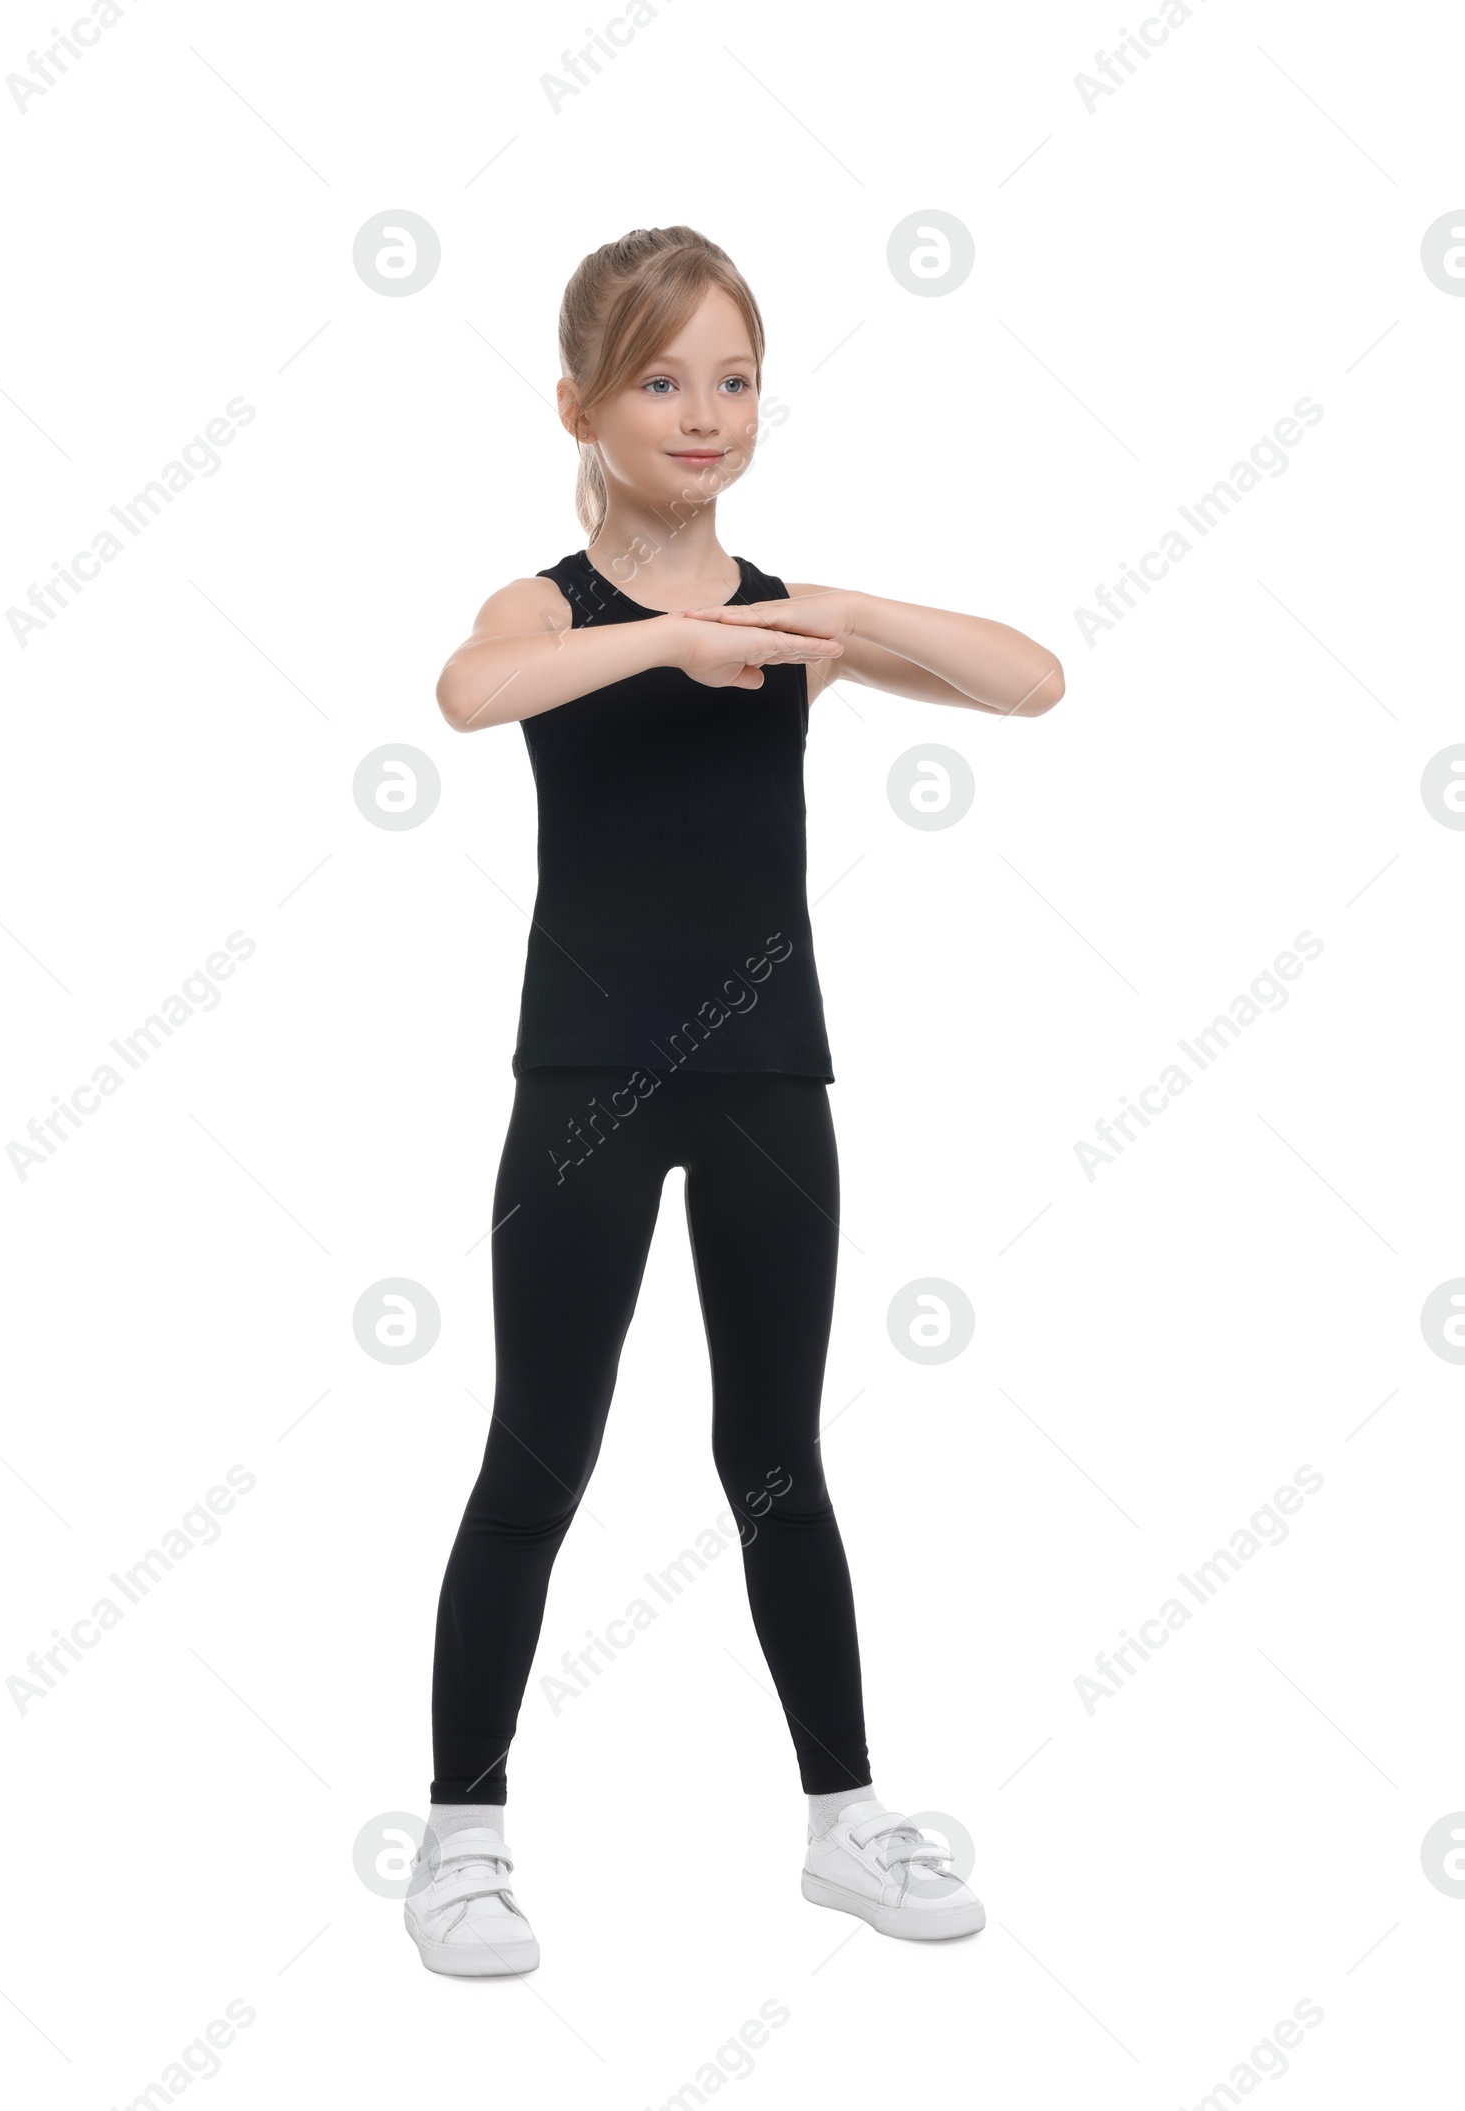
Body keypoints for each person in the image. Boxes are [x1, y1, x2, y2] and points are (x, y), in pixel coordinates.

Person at [406, 225, 1065, 1977]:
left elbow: (1031, 680)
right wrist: (662, 644)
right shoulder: (552, 610)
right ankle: (462, 1838)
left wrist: (825, 622)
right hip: (590, 1082)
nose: (704, 412)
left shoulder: (792, 625)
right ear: (580, 404)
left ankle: (847, 1825)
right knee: (537, 1454)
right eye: (661, 380)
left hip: (772, 1073)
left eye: (735, 378)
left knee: (778, 1458)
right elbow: (471, 694)